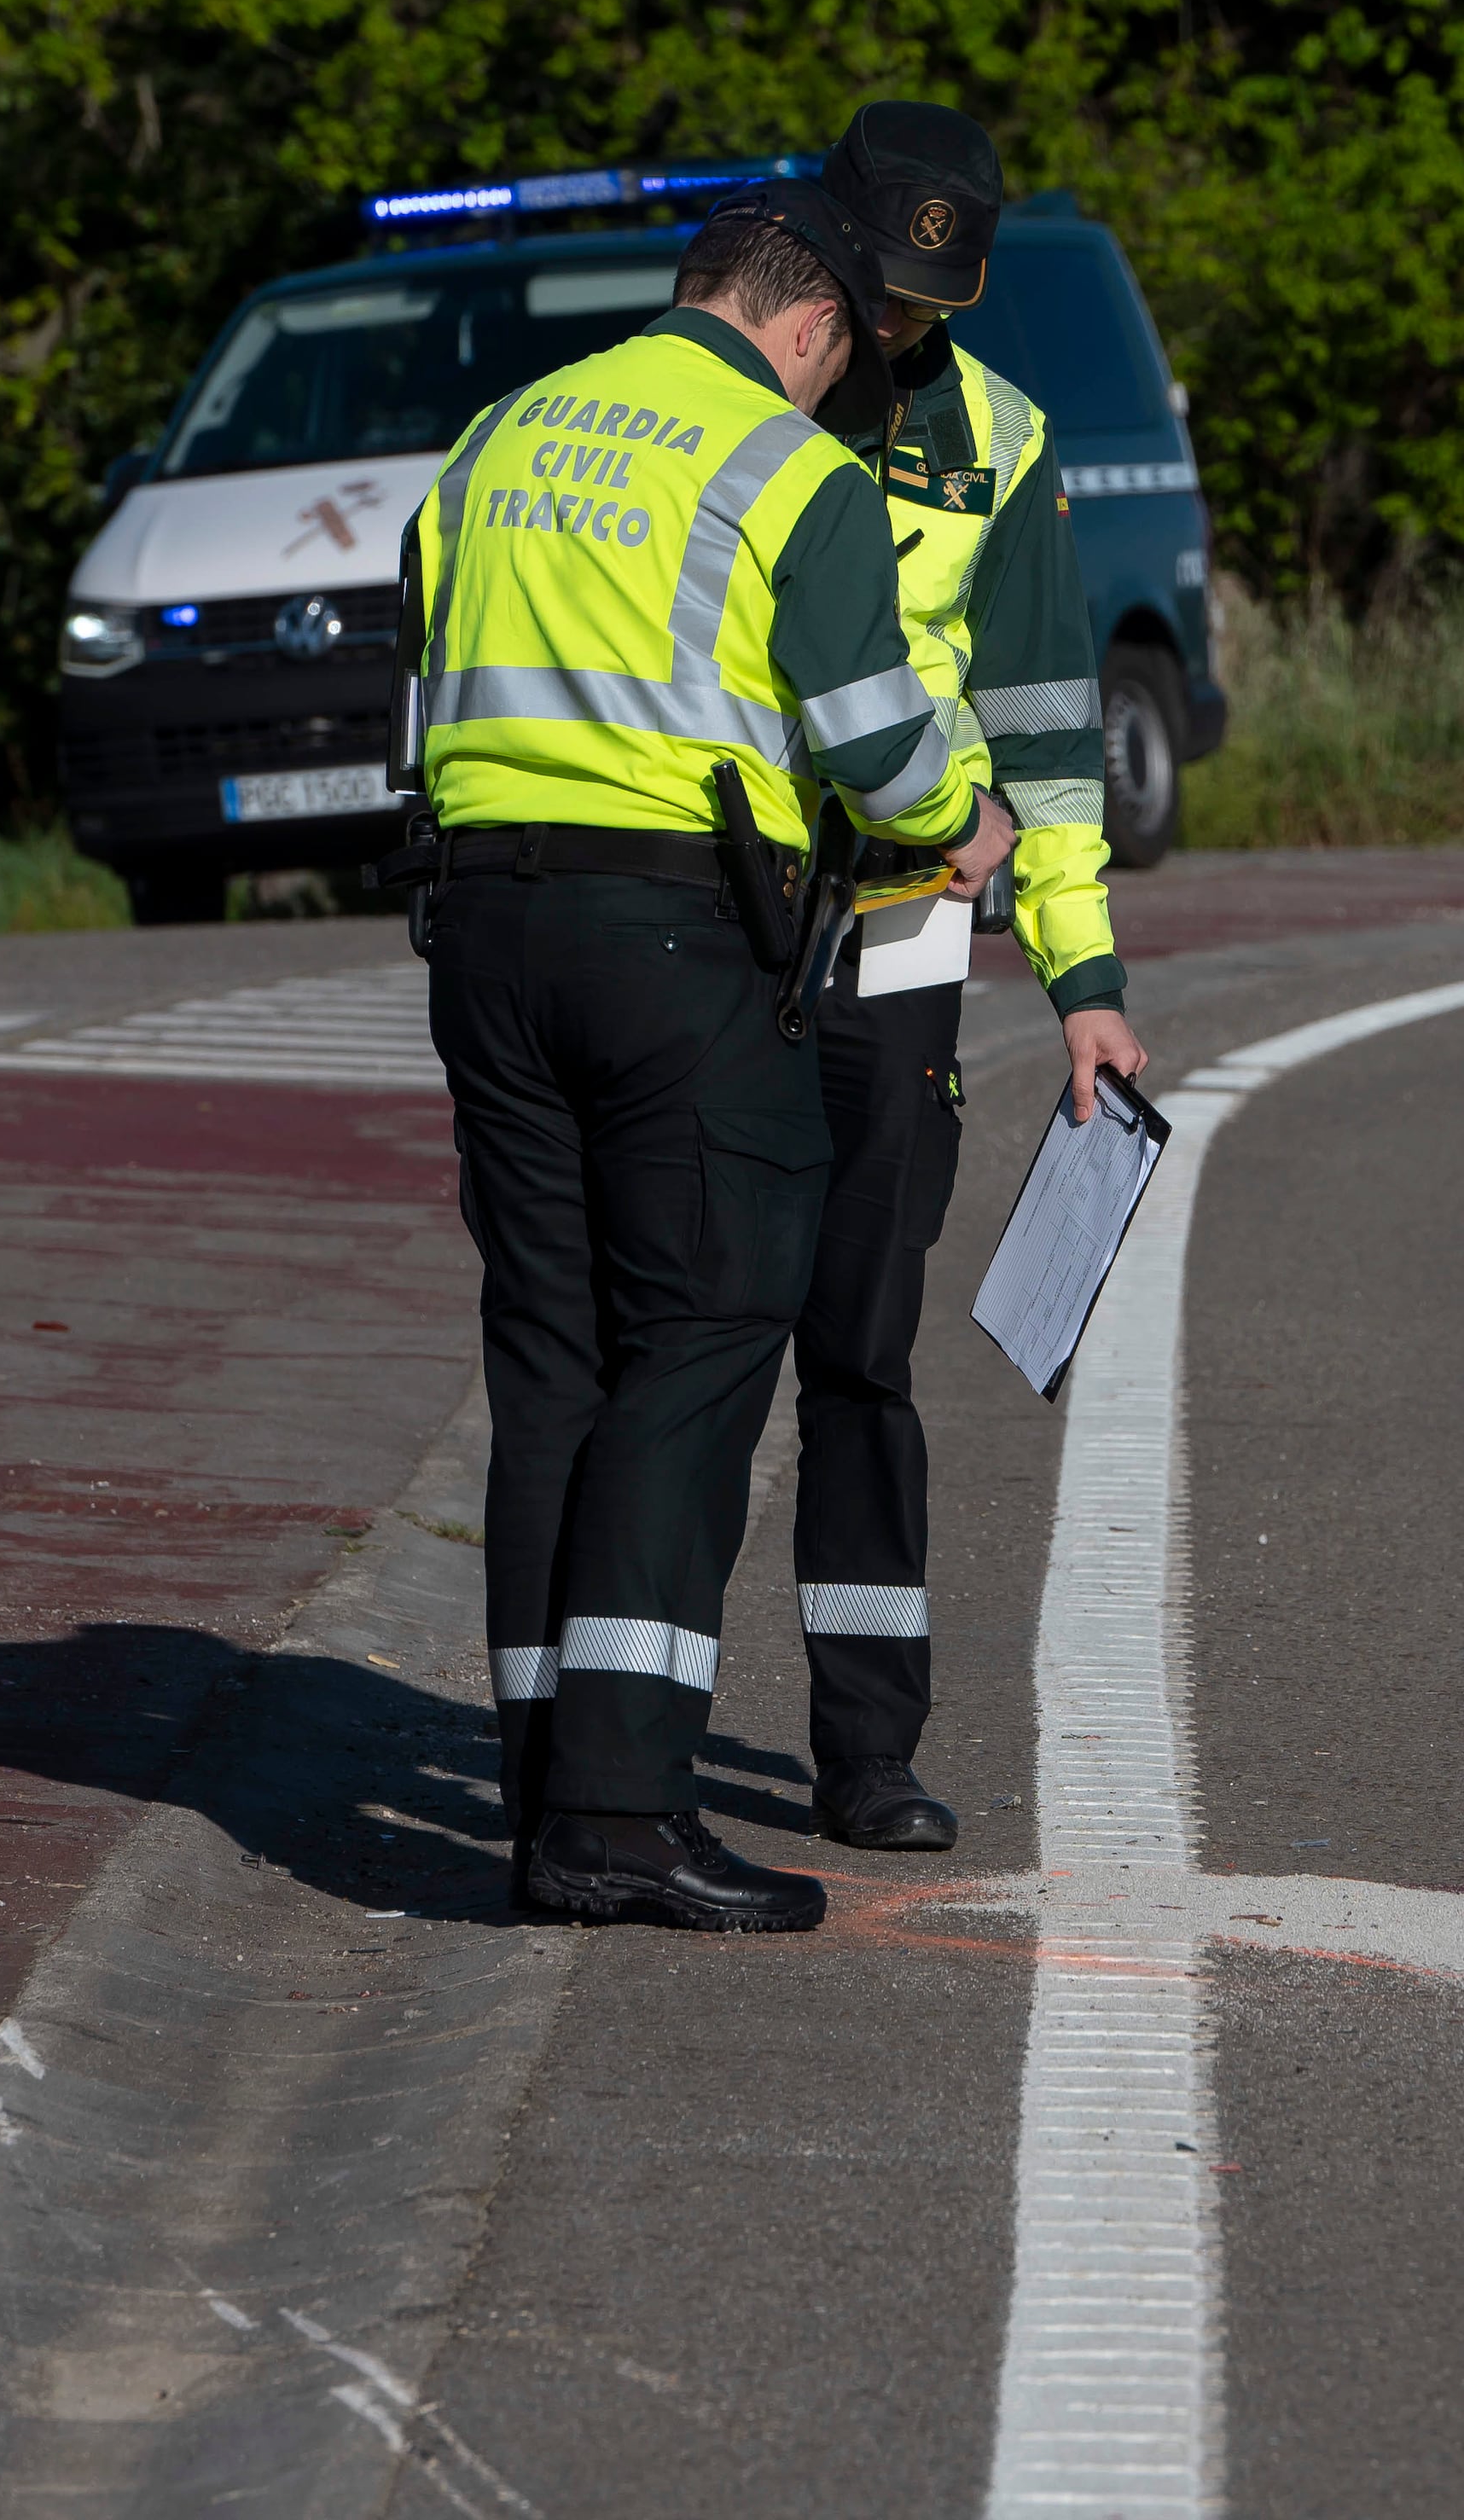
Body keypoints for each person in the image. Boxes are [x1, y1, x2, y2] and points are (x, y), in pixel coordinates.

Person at [404, 182, 1012, 1931]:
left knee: (555, 1359)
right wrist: (964, 824)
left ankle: (542, 1775)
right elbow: (878, 745)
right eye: (843, 362)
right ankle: (620, 1806)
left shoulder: (496, 436)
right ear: (810, 325)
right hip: (671, 937)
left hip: (481, 927)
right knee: (713, 1320)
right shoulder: (787, 470)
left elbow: (421, 673)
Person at [781, 102, 1149, 1854]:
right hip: (717, 921)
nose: (908, 325)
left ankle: (866, 1748)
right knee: (691, 1344)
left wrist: (1080, 978)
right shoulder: (733, 394)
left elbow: (1051, 742)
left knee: (862, 1347)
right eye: (887, 288)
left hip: (908, 927)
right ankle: (623, 1741)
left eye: (938, 295)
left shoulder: (1000, 440)